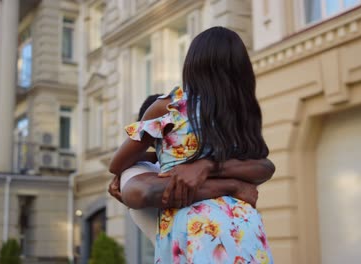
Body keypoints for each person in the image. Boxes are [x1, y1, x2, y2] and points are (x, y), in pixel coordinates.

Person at [110, 27, 274, 263]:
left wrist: (152, 157)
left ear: (193, 64)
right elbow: (264, 166)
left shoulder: (170, 107)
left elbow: (117, 163)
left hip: (195, 229)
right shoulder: (239, 115)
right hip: (244, 225)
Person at [110, 94, 275, 246]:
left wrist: (208, 167)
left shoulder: (198, 157)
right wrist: (233, 186)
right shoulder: (138, 171)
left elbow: (265, 166)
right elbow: (149, 192)